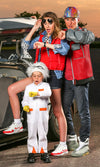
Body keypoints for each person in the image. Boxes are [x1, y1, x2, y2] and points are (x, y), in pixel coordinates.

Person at [3, 11, 70, 156]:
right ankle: (17, 123)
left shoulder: (61, 35)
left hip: (54, 75)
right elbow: (25, 45)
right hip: (39, 74)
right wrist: (34, 27)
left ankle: (63, 144)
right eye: (45, 22)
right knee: (12, 89)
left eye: (50, 21)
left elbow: (64, 50)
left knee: (58, 111)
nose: (47, 25)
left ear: (55, 23)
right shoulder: (40, 36)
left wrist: (46, 45)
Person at [59, 7, 95, 157]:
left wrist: (67, 34)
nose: (70, 22)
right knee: (64, 109)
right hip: (67, 79)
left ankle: (84, 142)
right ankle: (72, 138)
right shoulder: (62, 33)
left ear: (77, 20)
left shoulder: (85, 33)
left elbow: (86, 38)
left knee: (82, 111)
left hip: (80, 79)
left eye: (73, 19)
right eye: (67, 19)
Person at [22, 62, 51, 163]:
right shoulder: (28, 87)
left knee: (43, 132)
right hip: (31, 113)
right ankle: (32, 152)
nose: (36, 78)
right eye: (34, 76)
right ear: (31, 76)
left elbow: (48, 93)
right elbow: (25, 99)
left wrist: (37, 93)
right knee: (32, 132)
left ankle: (44, 152)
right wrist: (25, 105)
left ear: (43, 76)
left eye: (39, 76)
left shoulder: (46, 85)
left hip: (42, 113)